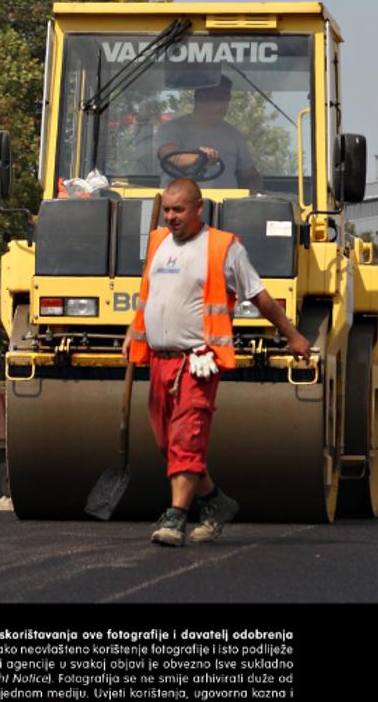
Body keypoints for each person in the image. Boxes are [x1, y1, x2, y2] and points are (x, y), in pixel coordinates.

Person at [122, 178, 310, 546]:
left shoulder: (225, 247)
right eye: (167, 210)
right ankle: (214, 501)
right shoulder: (159, 242)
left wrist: (292, 334)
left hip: (198, 364)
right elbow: (149, 295)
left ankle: (175, 517)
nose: (171, 217)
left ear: (198, 208)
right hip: (159, 362)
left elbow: (260, 297)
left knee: (186, 441)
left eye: (178, 210)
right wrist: (133, 328)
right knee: (169, 445)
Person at [156, 76, 263, 190]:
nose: (226, 105)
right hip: (180, 205)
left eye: (227, 100)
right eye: (221, 98)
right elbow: (171, 158)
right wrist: (201, 158)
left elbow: (250, 175)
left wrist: (249, 200)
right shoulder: (171, 128)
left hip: (226, 206)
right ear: (202, 97)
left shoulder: (233, 134)